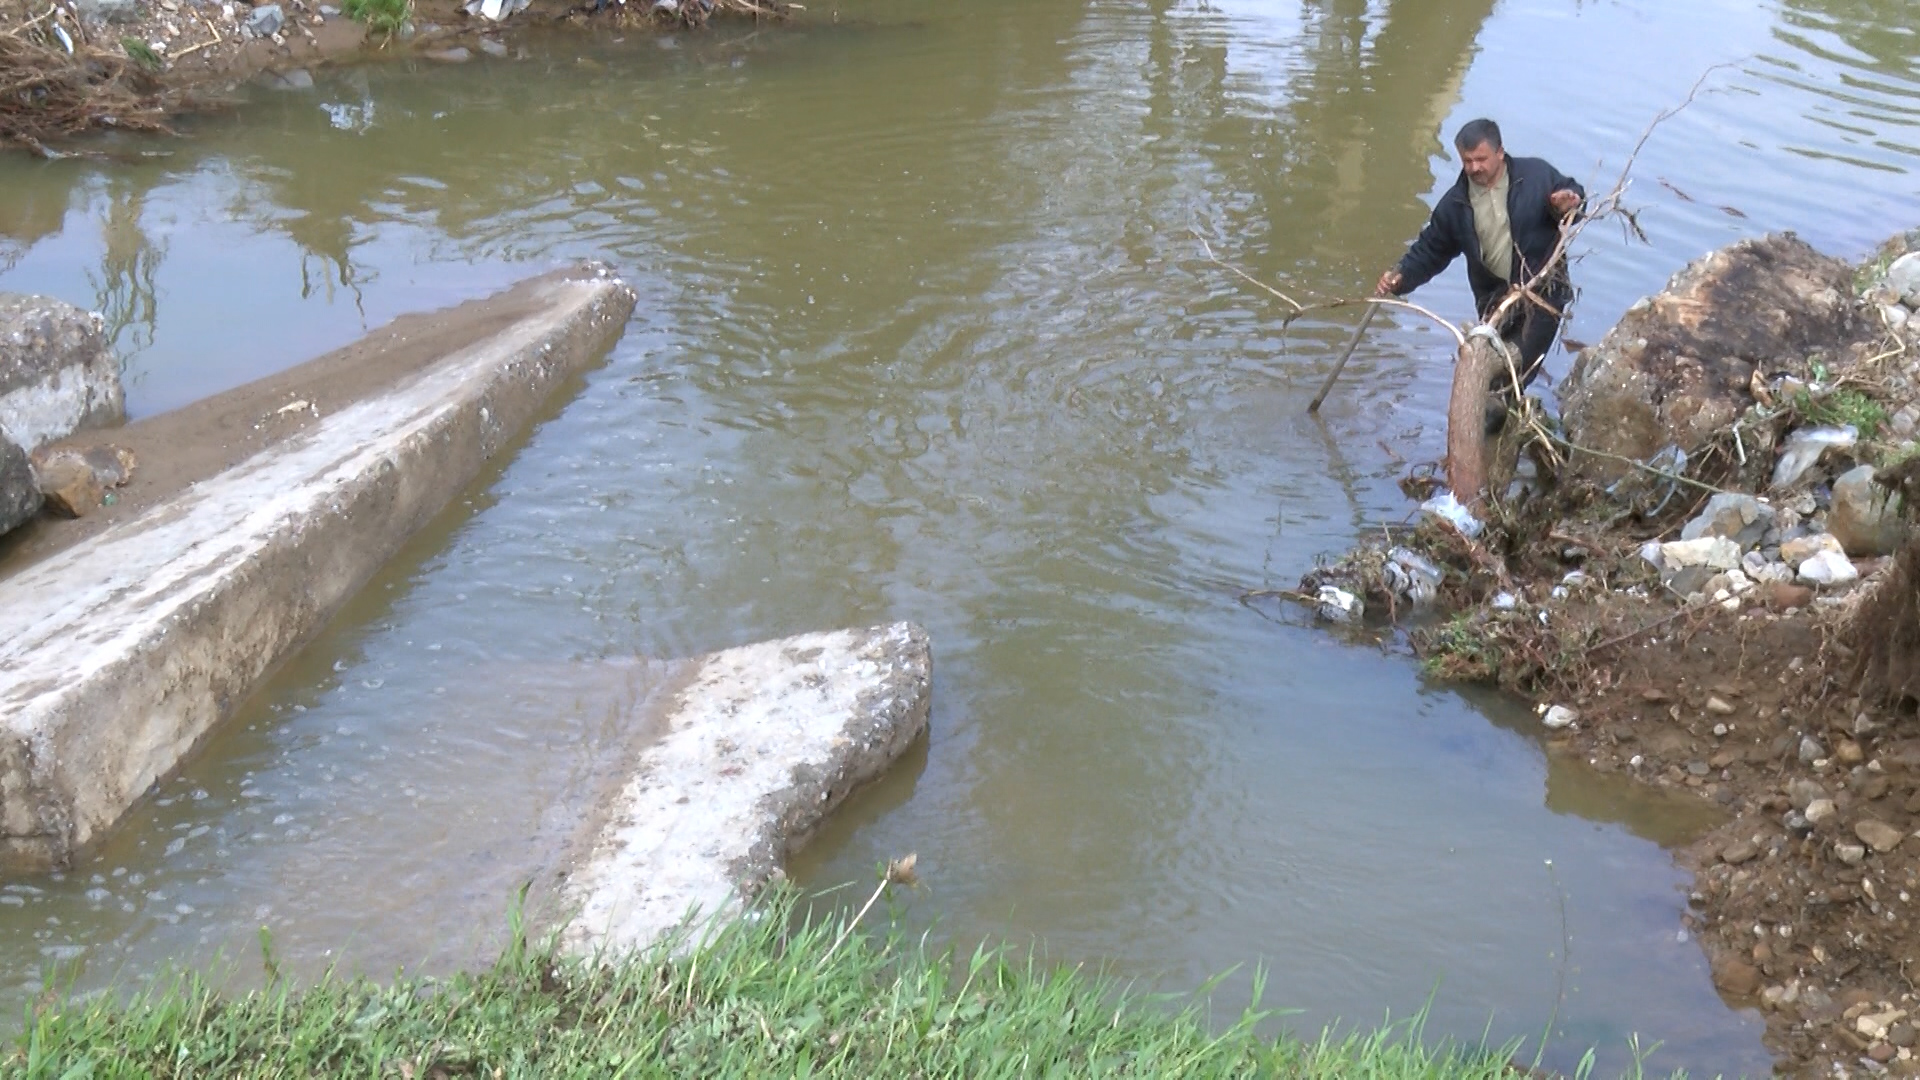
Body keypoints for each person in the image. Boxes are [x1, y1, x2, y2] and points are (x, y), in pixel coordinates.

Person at [1375, 118, 1585, 429]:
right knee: (1490, 369)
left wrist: (1566, 203)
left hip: (1543, 294)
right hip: (1493, 300)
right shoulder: (1455, 204)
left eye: (1481, 159)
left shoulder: (1537, 176)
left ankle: (1499, 430)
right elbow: (1431, 250)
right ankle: (1494, 437)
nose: (1474, 168)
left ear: (1500, 152)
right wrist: (1401, 277)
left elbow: (1572, 198)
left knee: (1511, 374)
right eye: (1467, 161)